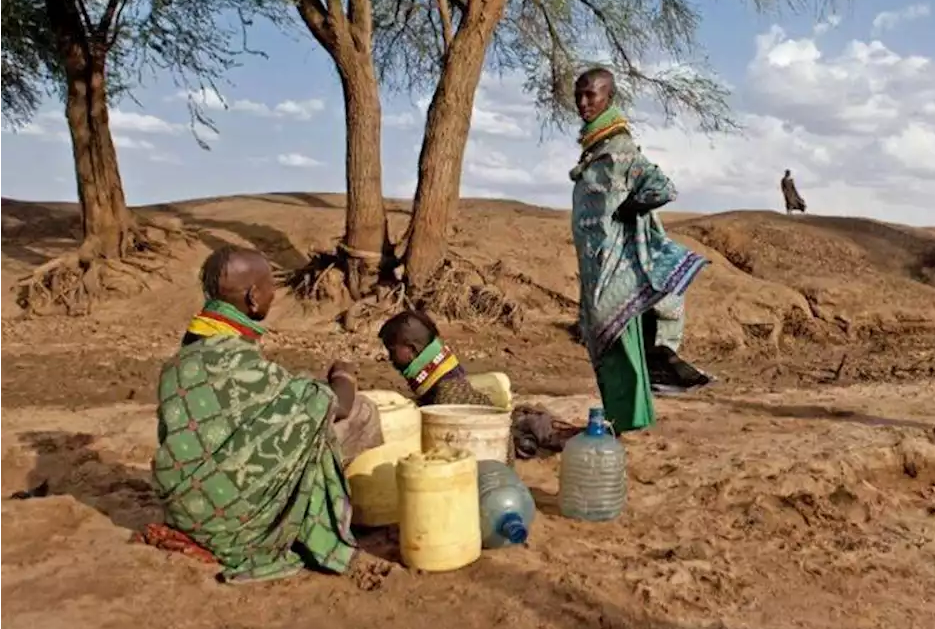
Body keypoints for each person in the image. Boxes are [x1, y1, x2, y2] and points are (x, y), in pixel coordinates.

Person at [146, 246, 387, 584]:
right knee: (360, 412)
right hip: (239, 525)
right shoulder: (244, 366)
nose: (276, 293)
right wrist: (344, 375)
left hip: (187, 512)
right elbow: (338, 405)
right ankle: (323, 512)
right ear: (253, 297)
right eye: (271, 285)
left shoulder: (179, 364)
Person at [570, 67, 710, 431]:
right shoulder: (597, 148)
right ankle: (630, 419)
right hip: (597, 264)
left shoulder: (620, 149)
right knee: (610, 342)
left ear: (609, 98)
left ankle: (629, 421)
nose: (584, 102)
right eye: (580, 94)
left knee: (614, 342)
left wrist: (627, 211)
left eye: (592, 95)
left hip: (615, 265)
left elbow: (662, 188)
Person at [379, 309, 580, 458]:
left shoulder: (446, 395)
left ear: (412, 350)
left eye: (392, 349)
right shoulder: (443, 375)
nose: (389, 357)